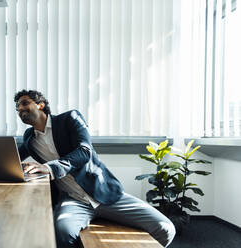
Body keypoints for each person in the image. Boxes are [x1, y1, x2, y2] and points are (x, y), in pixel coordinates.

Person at [15, 89, 175, 248]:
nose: (20, 109)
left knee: (165, 228)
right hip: (73, 200)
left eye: (24, 103)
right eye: (17, 107)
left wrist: (50, 168)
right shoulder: (30, 138)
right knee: (62, 232)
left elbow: (85, 151)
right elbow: (12, 158)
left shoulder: (70, 118)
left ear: (40, 104)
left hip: (105, 194)